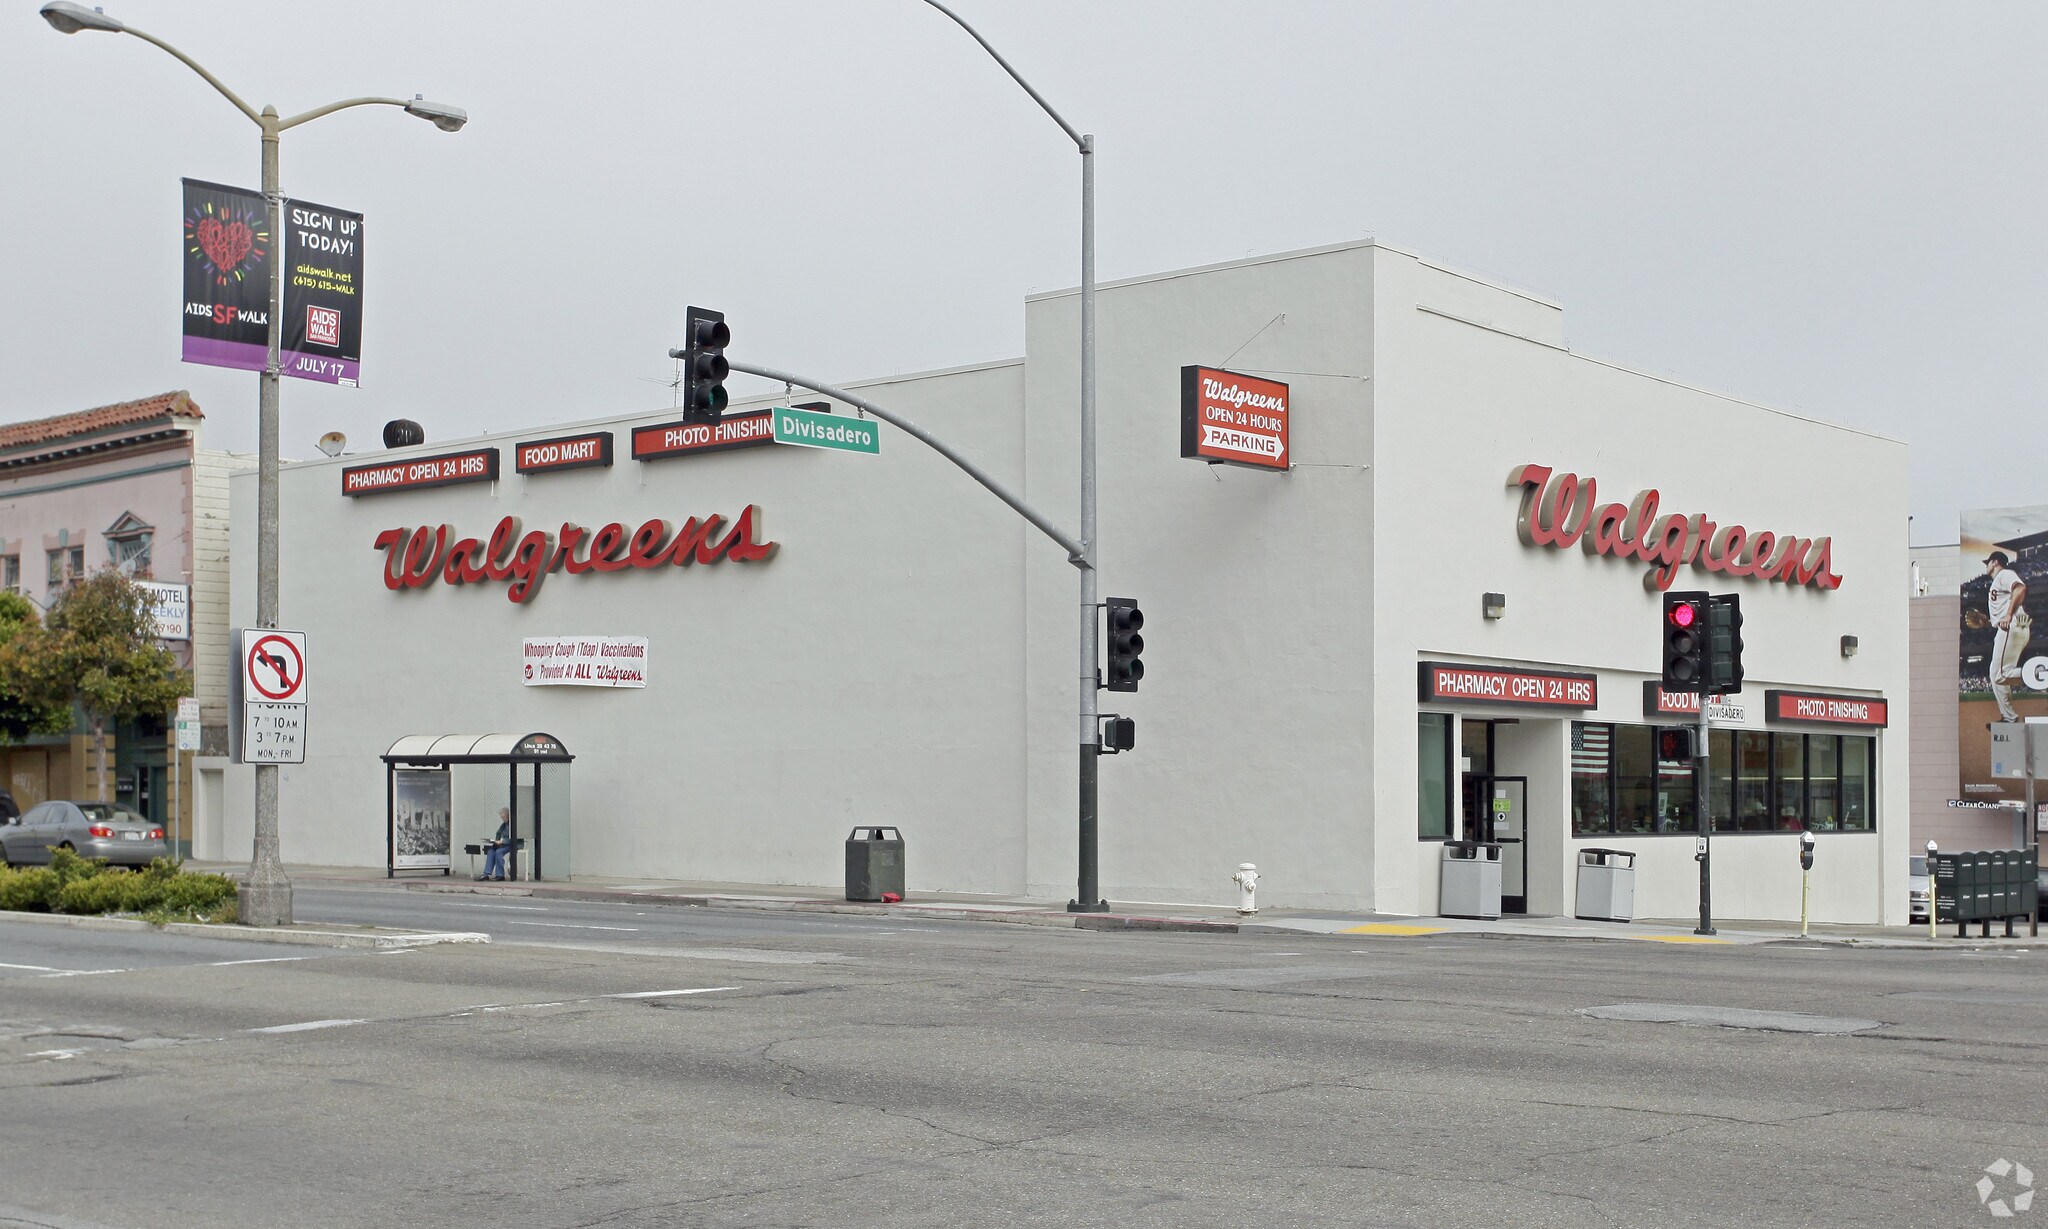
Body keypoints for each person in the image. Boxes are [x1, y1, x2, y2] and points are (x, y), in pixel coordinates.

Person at [1985, 550, 2031, 723]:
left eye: (1988, 562)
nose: (1986, 566)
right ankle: (2009, 716)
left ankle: (2040, 675)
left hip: (2012, 625)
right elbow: (2001, 612)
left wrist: (2008, 615)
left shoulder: (2004, 574)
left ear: (1995, 562)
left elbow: (2020, 588)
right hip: (2014, 626)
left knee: (1999, 675)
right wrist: (1986, 621)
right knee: (1996, 674)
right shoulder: (1997, 582)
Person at [479, 808, 512, 882]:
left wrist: (502, 841)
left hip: (510, 844)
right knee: (491, 851)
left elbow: (514, 838)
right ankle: (486, 874)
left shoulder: (513, 824)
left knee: (499, 852)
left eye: (504, 817)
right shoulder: (504, 825)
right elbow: (498, 833)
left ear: (508, 816)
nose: (502, 819)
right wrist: (496, 841)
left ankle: (500, 875)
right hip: (503, 844)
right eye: (501, 817)